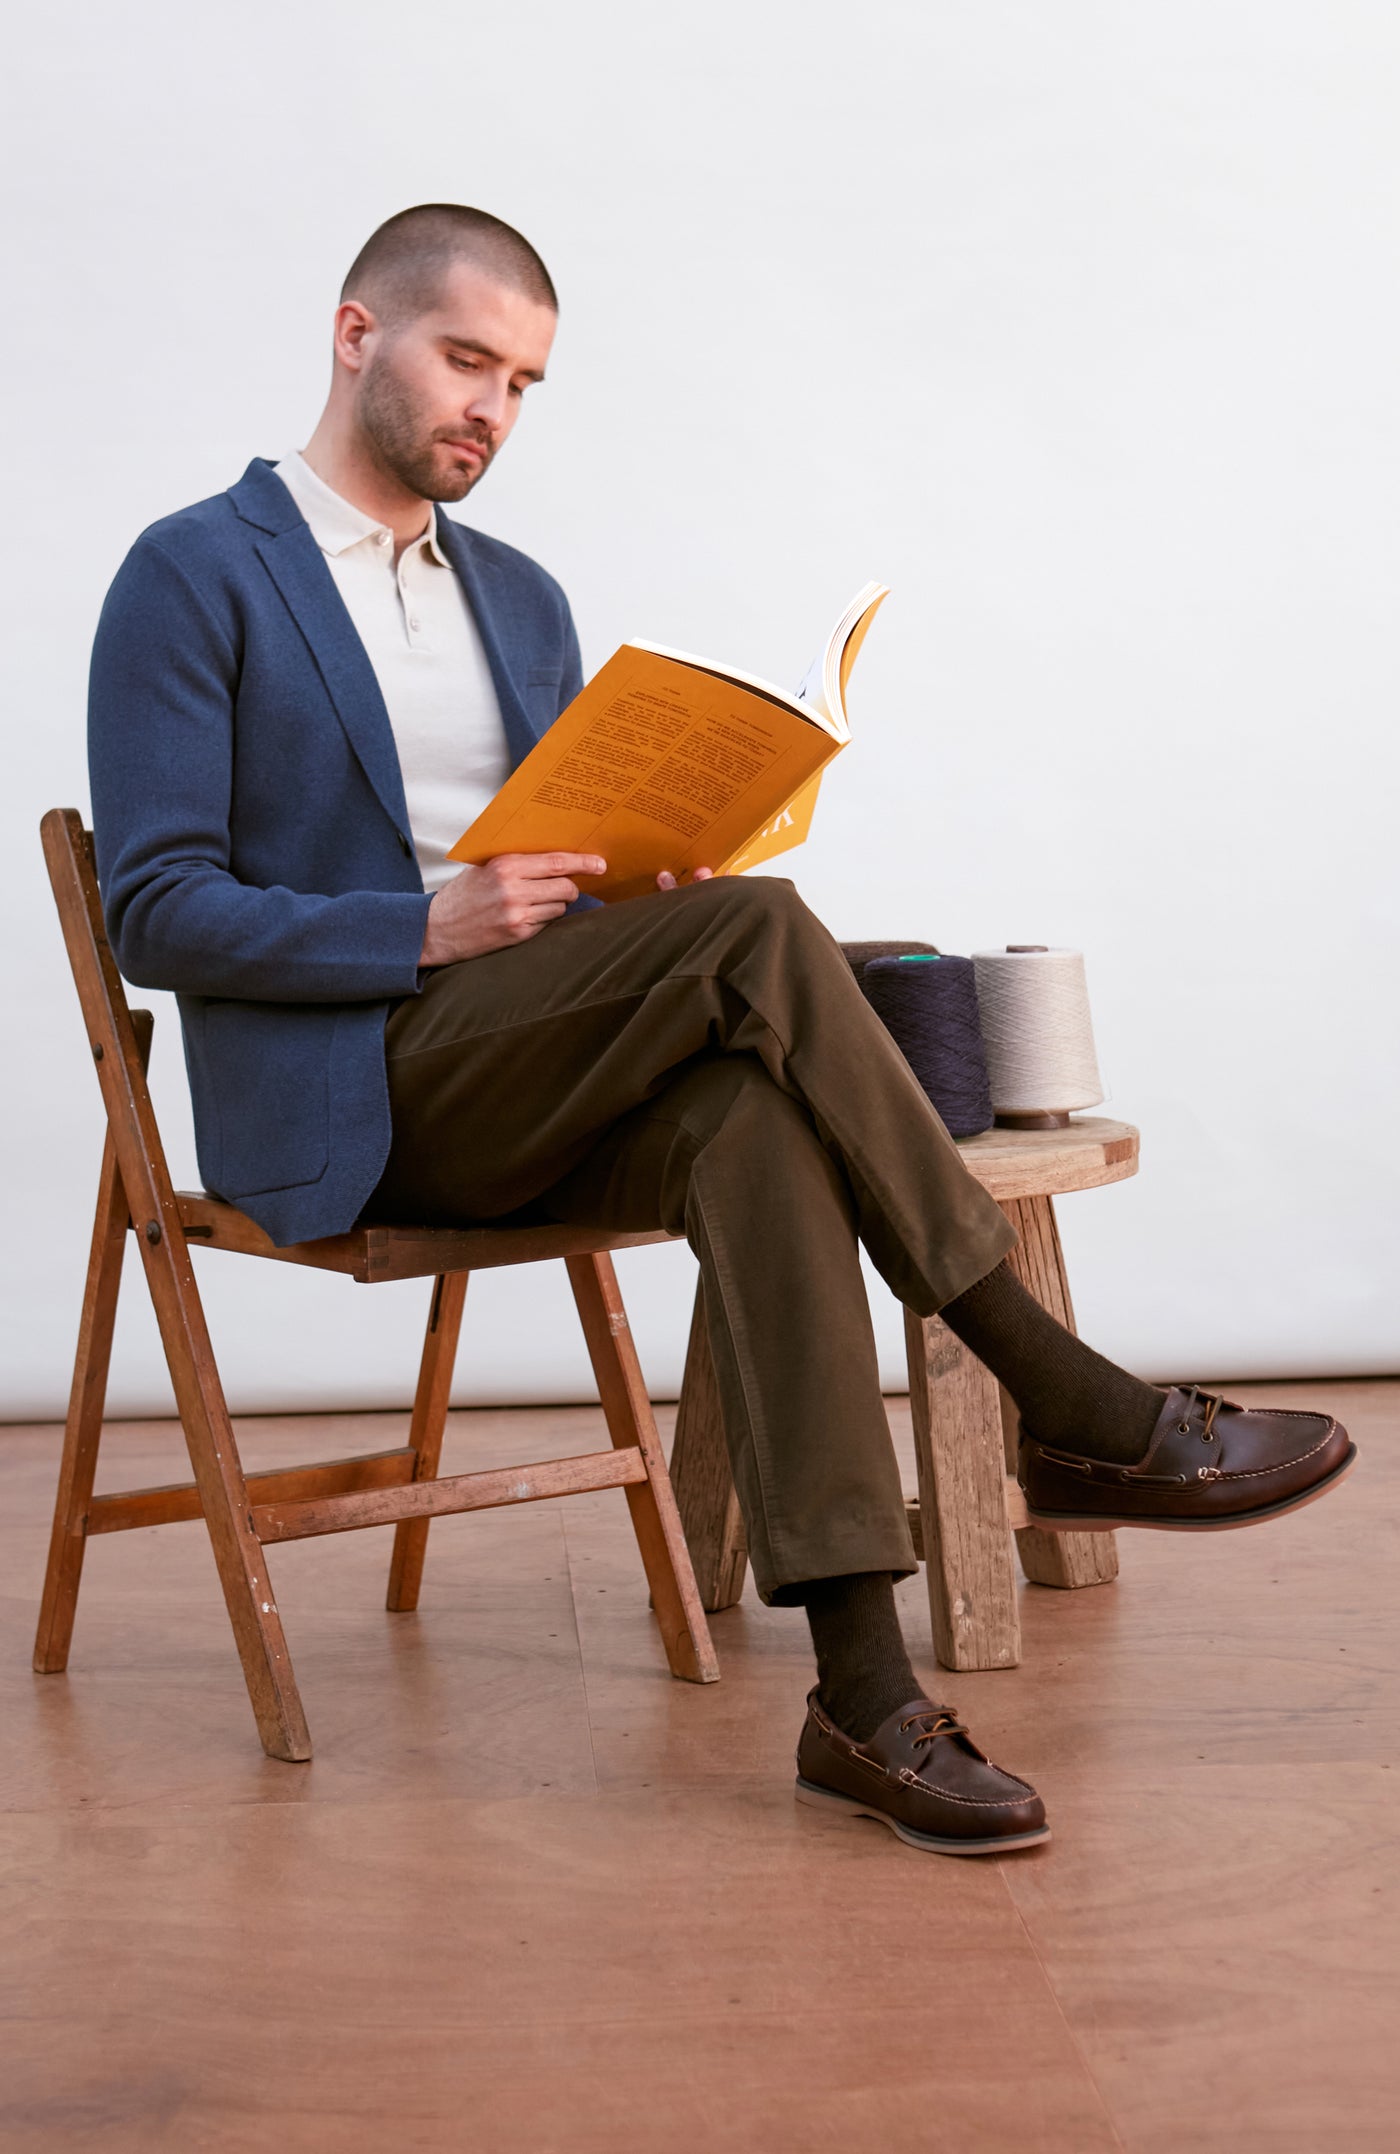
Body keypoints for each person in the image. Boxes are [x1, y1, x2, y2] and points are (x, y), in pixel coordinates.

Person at [87, 204, 1355, 1856]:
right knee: (757, 940)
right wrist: (421, 922)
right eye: (467, 359)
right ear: (354, 336)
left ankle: (863, 1695)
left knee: (749, 1113)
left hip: (528, 1051)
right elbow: (156, 907)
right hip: (356, 1084)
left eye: (526, 384)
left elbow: (567, 881)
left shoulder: (522, 601)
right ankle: (1068, 1400)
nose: (494, 409)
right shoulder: (193, 573)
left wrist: (650, 884)